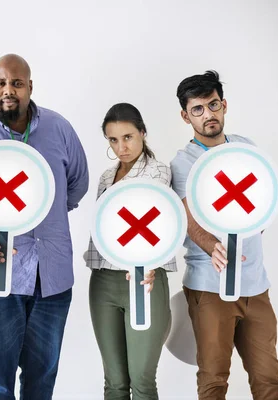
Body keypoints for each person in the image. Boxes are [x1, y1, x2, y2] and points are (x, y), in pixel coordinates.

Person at [0, 54, 89, 399]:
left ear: (29, 86)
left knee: (42, 380)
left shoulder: (59, 128)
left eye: (16, 83)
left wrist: (44, 214)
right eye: (1, 83)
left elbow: (78, 183)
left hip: (51, 273)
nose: (8, 90)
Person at [170, 70, 278, 399]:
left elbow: (263, 201)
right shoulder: (184, 162)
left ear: (224, 105)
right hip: (210, 287)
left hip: (256, 285)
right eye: (198, 109)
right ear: (185, 115)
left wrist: (256, 224)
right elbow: (188, 219)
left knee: (268, 379)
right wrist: (214, 247)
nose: (208, 115)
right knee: (214, 380)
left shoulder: (245, 148)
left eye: (213, 104)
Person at [85, 103, 173, 399]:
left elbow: (159, 223)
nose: (121, 147)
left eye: (128, 137)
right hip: (103, 281)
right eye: (113, 140)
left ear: (142, 134)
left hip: (143, 281)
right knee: (114, 382)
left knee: (143, 381)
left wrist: (150, 261)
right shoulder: (106, 177)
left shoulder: (158, 171)